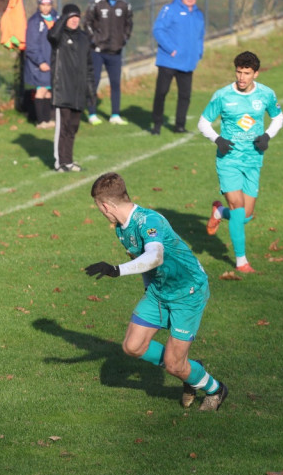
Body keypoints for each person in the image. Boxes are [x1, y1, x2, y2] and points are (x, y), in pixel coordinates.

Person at [85, 172, 228, 411]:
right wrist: (148, 288)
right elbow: (143, 261)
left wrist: (115, 270)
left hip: (187, 292)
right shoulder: (122, 228)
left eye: (98, 206)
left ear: (106, 205)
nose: (100, 211)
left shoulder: (148, 221)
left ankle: (215, 388)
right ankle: (189, 369)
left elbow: (155, 255)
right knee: (132, 346)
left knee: (174, 365)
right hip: (158, 291)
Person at [199, 51, 283, 274]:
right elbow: (203, 122)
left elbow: (278, 117)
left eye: (247, 73)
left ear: (255, 73)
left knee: (245, 216)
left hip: (253, 159)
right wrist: (217, 140)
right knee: (237, 208)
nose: (242, 78)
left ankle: (219, 212)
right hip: (229, 160)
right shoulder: (222, 96)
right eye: (238, 72)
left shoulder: (266, 94)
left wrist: (267, 136)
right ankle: (241, 261)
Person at [151, 0, 205, 134]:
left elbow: (200, 36)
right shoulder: (169, 10)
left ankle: (179, 126)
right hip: (168, 61)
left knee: (185, 95)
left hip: (188, 63)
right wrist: (171, 49)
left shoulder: (198, 14)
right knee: (162, 92)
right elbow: (158, 30)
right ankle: (157, 123)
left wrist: (198, 53)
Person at [47, 3, 94, 172]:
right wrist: (61, 19)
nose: (74, 20)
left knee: (73, 127)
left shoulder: (83, 38)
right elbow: (51, 35)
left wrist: (90, 90)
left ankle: (69, 161)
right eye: (71, 17)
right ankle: (60, 162)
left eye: (77, 17)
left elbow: (89, 66)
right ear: (64, 18)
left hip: (78, 91)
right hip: (63, 90)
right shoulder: (58, 36)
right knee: (63, 127)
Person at [85, 0, 133, 126]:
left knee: (115, 83)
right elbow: (87, 22)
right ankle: (92, 113)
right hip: (98, 51)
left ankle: (115, 114)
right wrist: (94, 40)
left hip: (115, 51)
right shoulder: (97, 2)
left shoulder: (124, 3)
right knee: (95, 81)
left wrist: (124, 39)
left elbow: (129, 23)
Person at [24, 0, 57, 129]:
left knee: (49, 91)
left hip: (52, 61)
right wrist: (40, 61)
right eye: (43, 4)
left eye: (48, 4)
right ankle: (41, 121)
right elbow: (31, 45)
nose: (46, 7)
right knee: (41, 90)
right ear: (39, 5)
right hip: (39, 63)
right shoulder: (34, 21)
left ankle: (48, 119)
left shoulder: (56, 18)